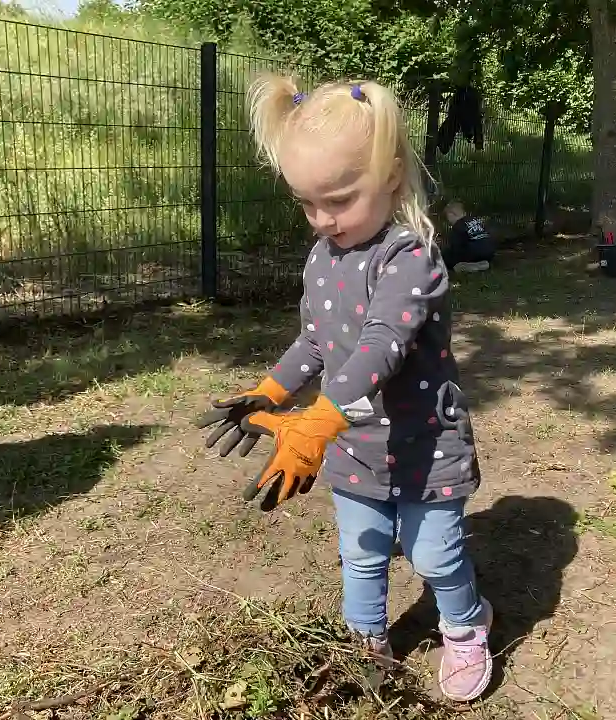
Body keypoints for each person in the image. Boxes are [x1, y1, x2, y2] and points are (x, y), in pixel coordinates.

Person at [196, 74, 493, 703]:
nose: (322, 220)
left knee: (435, 555)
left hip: (422, 448)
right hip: (354, 448)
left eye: (338, 200)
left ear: (389, 174)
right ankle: (365, 643)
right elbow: (316, 343)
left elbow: (381, 346)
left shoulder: (410, 259)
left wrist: (320, 418)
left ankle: (466, 627)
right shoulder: (322, 258)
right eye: (307, 204)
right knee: (361, 555)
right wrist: (270, 393)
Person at [441, 200, 496, 273]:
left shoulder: (458, 226)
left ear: (451, 215)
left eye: (448, 217)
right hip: (489, 252)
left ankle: (465, 266)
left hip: (473, 253)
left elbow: (456, 246)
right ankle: (483, 263)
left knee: (446, 255)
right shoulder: (475, 220)